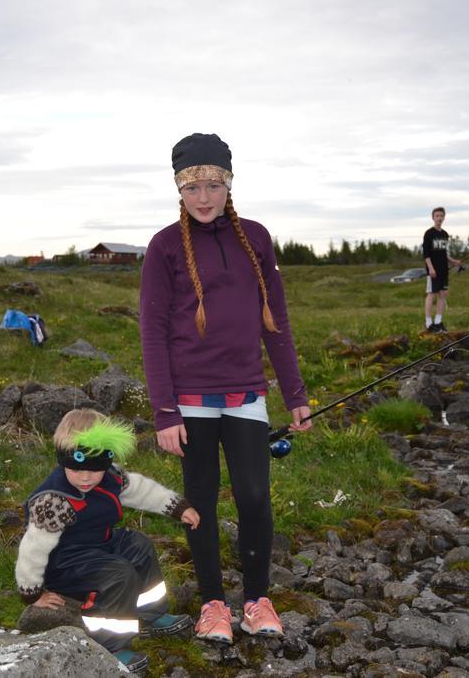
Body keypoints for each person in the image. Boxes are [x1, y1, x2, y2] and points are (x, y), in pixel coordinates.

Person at [139, 133, 312, 645]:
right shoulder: (165, 246)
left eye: (214, 184)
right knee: (201, 501)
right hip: (189, 402)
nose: (204, 197)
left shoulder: (255, 238)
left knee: (255, 496)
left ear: (229, 184)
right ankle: (214, 603)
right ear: (179, 189)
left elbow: (275, 320)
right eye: (193, 187)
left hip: (246, 396)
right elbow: (152, 331)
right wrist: (164, 412)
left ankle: (257, 599)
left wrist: (296, 395)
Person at [14, 409, 201, 672]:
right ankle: (109, 645)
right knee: (119, 575)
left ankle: (150, 614)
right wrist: (32, 593)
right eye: (77, 469)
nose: (86, 477)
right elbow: (34, 548)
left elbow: (140, 490)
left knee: (139, 546)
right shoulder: (54, 501)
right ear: (63, 460)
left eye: (94, 469)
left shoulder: (111, 476)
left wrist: (178, 507)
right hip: (64, 563)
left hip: (100, 544)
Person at [422, 206, 463, 332]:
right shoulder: (429, 233)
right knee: (431, 294)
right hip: (433, 271)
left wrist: (453, 261)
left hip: (444, 270)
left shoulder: (445, 234)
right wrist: (431, 268)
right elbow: (426, 254)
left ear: (444, 217)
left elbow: (443, 253)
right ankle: (429, 323)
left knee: (443, 294)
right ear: (433, 218)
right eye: (437, 216)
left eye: (441, 216)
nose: (439, 218)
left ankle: (438, 322)